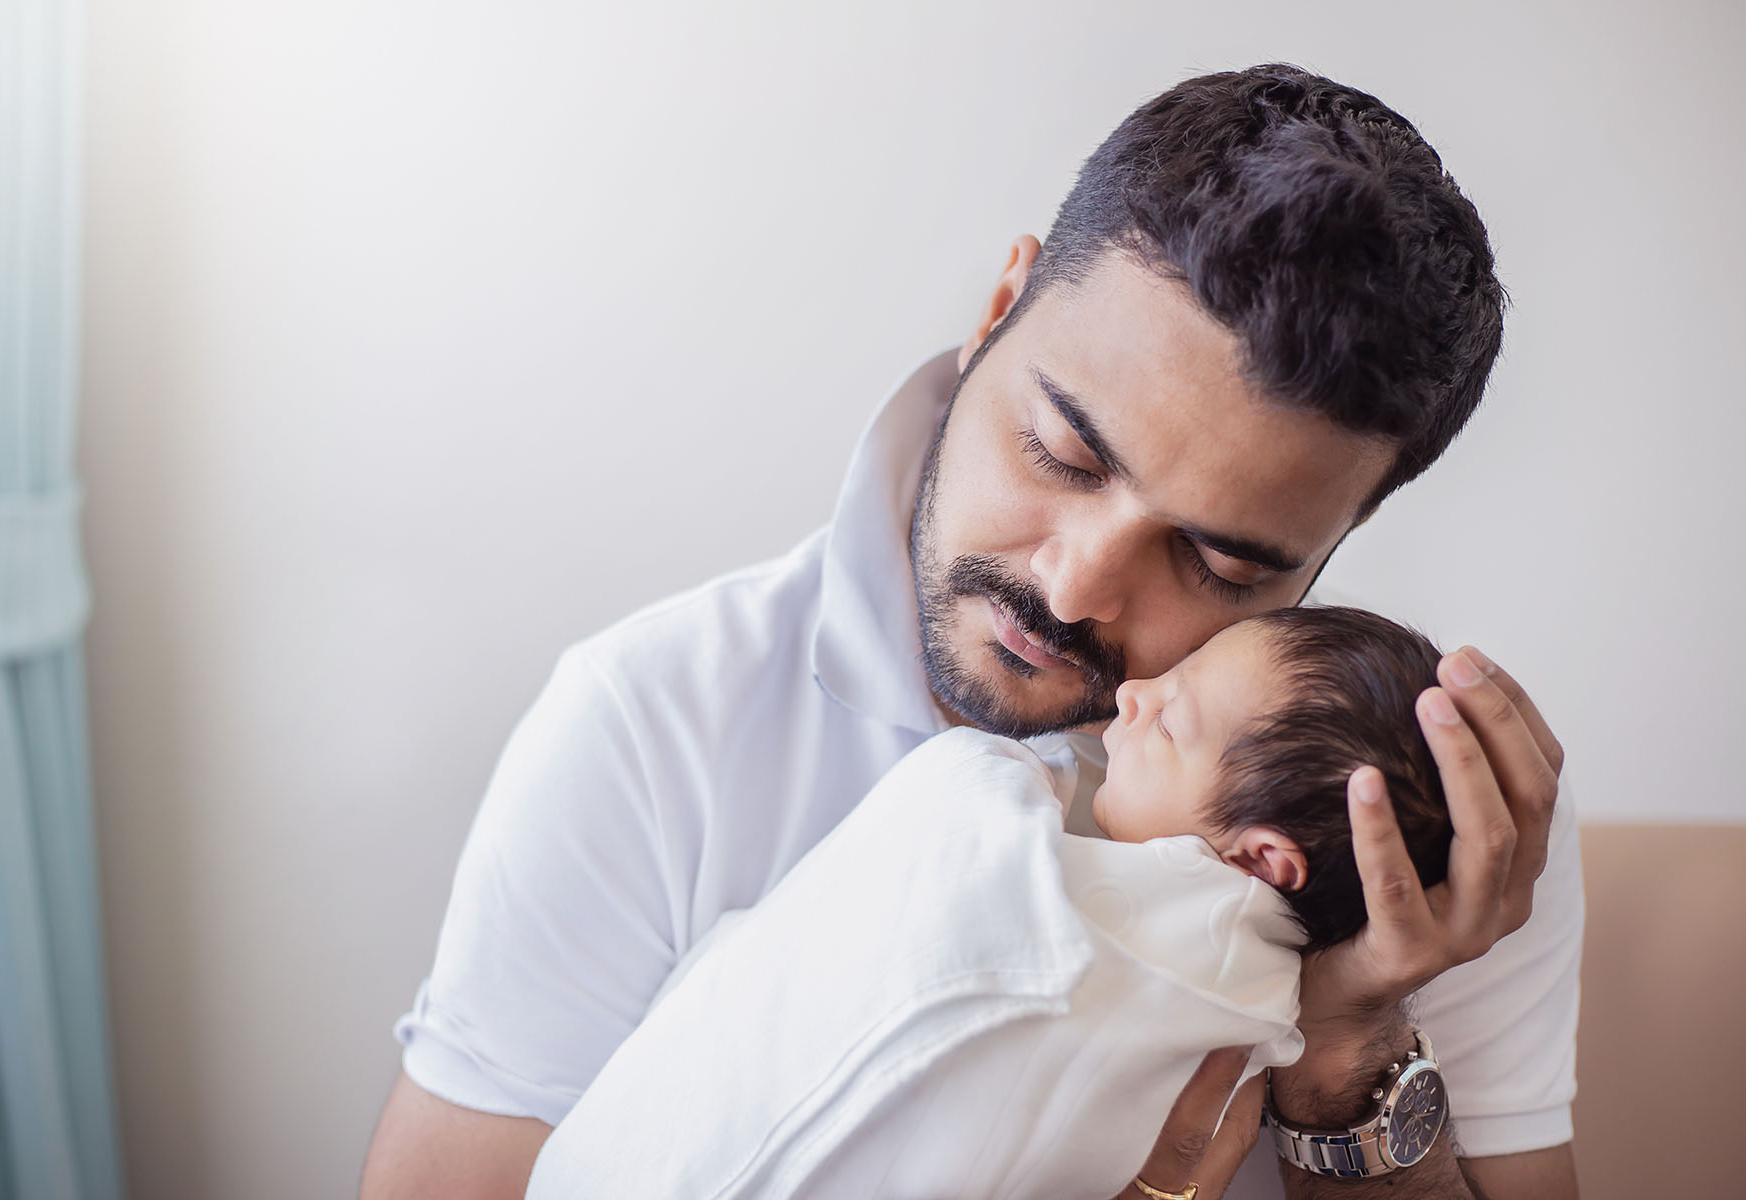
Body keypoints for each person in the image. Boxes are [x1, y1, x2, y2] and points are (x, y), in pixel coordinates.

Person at [361, 63, 1581, 1200]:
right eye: (1061, 451)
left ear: (1327, 554)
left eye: (1213, 563)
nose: (1075, 586)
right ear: (998, 310)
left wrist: (1348, 1056)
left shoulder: (1415, 812)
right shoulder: (653, 722)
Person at [521, 606, 1458, 1199]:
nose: (1131, 696)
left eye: (1171, 718)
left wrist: (1001, 769)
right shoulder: (642, 698)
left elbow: (973, 928)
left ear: (1259, 862)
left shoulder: (1196, 942)